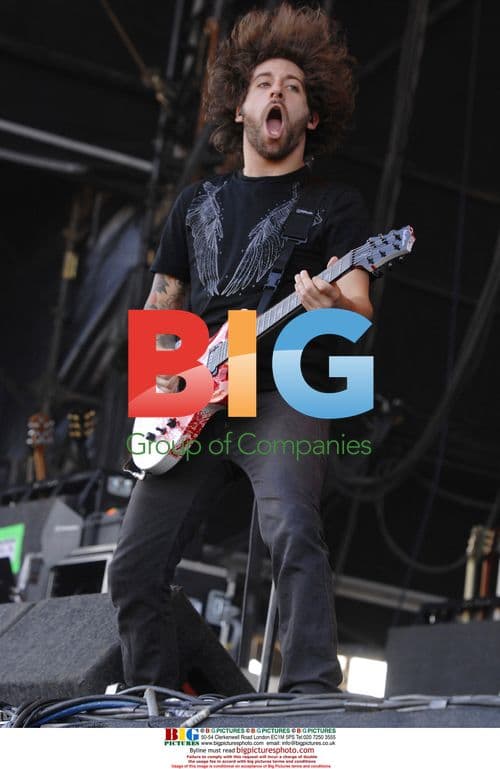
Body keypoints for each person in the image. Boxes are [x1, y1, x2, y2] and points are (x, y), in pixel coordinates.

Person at [110, 2, 373, 694]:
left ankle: (312, 688)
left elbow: (361, 307)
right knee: (133, 569)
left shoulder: (336, 203)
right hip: (195, 384)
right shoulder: (195, 202)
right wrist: (157, 392)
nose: (278, 92)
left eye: (293, 85)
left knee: (291, 525)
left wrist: (333, 303)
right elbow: (164, 300)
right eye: (264, 83)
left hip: (285, 375)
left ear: (310, 117)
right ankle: (155, 703)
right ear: (239, 108)